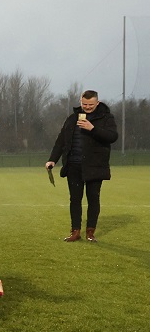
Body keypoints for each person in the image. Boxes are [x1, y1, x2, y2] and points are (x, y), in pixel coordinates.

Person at [46, 90, 119, 242]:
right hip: (73, 165)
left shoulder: (106, 118)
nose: (87, 107)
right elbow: (61, 140)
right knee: (75, 199)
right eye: (84, 104)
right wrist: (52, 159)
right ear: (81, 102)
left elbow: (112, 137)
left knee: (93, 199)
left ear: (97, 103)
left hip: (95, 165)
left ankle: (90, 233)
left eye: (90, 104)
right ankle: (75, 232)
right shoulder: (72, 118)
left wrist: (92, 128)